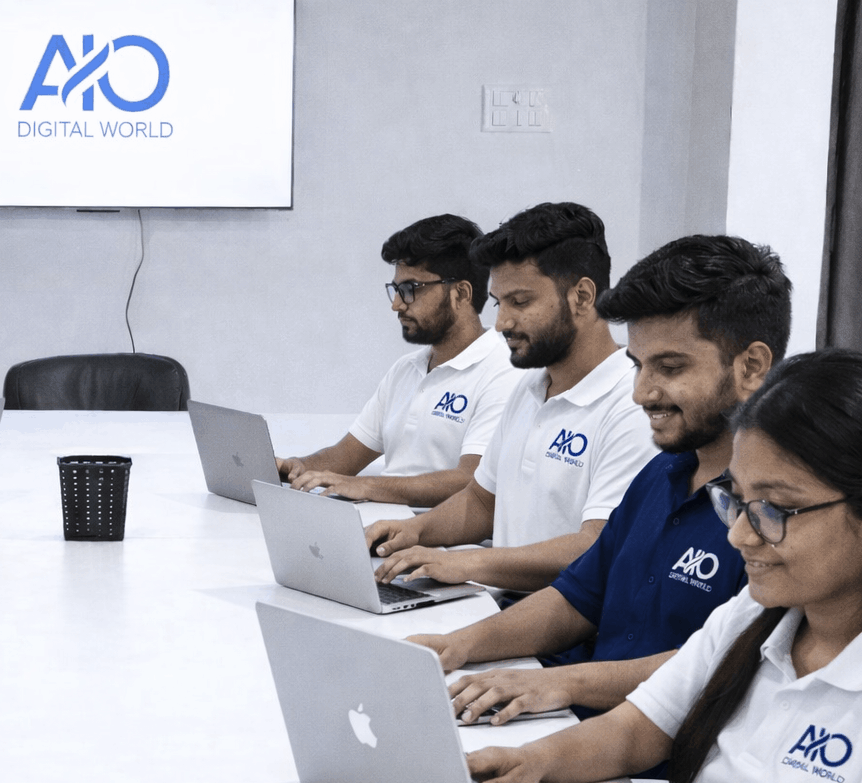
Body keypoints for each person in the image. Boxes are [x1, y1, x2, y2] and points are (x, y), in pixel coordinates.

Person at [469, 349, 862, 783]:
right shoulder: (758, 612)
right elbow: (637, 729)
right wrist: (532, 763)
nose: (738, 534)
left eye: (776, 510)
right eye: (737, 499)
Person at [410, 235, 790, 723]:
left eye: (670, 367)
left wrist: (559, 683)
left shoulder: (783, 515)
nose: (641, 393)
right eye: (638, 366)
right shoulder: (662, 473)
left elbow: (720, 666)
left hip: (646, 762)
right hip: (577, 718)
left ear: (752, 366)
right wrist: (455, 647)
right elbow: (577, 599)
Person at [367, 202, 656, 592]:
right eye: (500, 303)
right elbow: (482, 503)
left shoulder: (632, 403)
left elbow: (595, 546)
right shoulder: (529, 387)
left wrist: (463, 562)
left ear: (583, 297)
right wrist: (410, 532)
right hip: (498, 598)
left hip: (563, 634)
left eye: (520, 302)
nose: (501, 323)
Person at [276, 214, 524, 506]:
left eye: (410, 290)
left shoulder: (503, 370)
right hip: (386, 524)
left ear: (461, 293)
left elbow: (471, 479)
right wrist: (288, 467)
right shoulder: (406, 370)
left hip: (448, 542)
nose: (396, 304)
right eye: (395, 290)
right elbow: (343, 459)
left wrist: (365, 487)